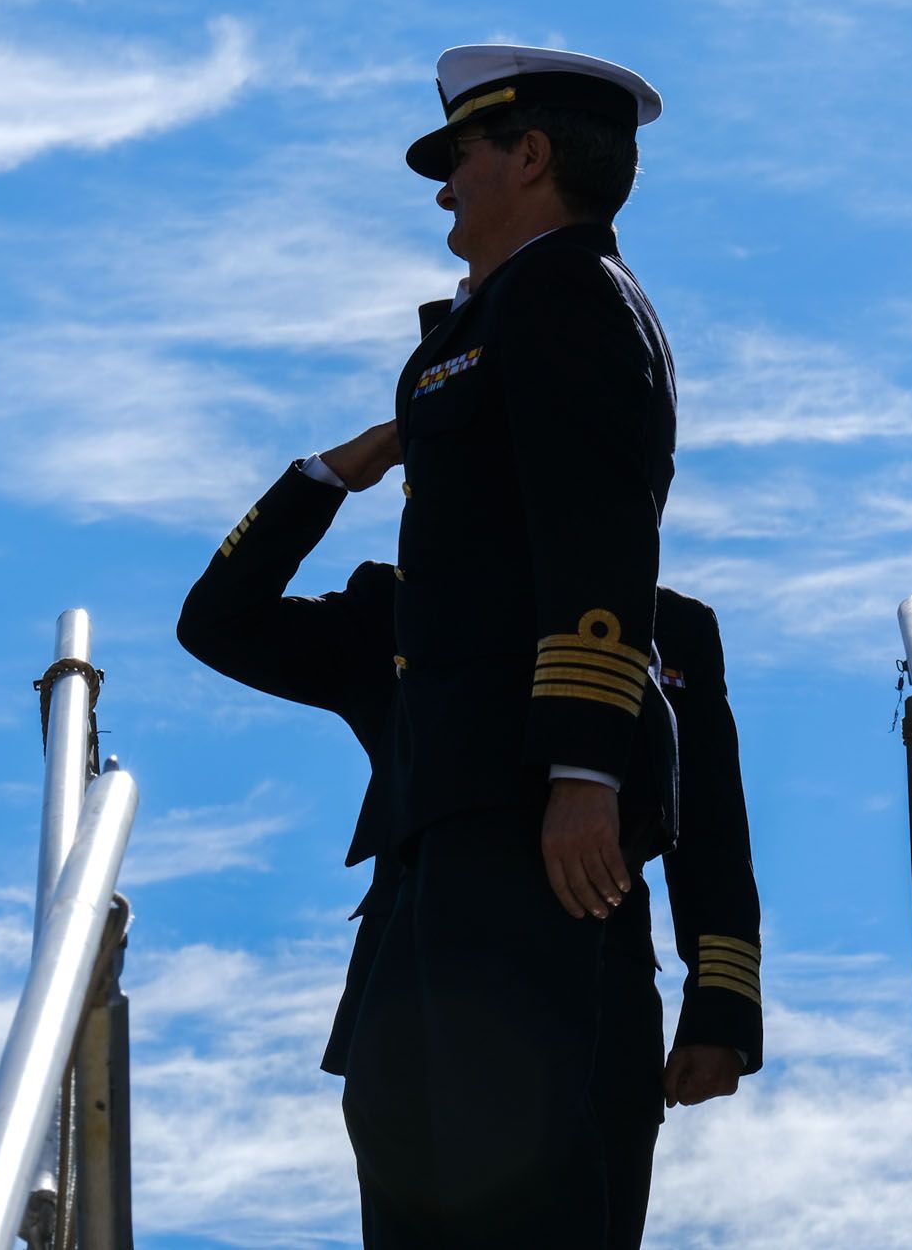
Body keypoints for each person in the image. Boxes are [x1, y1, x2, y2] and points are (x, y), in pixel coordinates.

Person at [175, 417, 763, 1248]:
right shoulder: (395, 608)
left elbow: (710, 832)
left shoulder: (667, 626)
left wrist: (720, 1010)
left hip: (595, 985)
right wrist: (342, 469)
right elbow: (216, 622)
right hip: (415, 982)